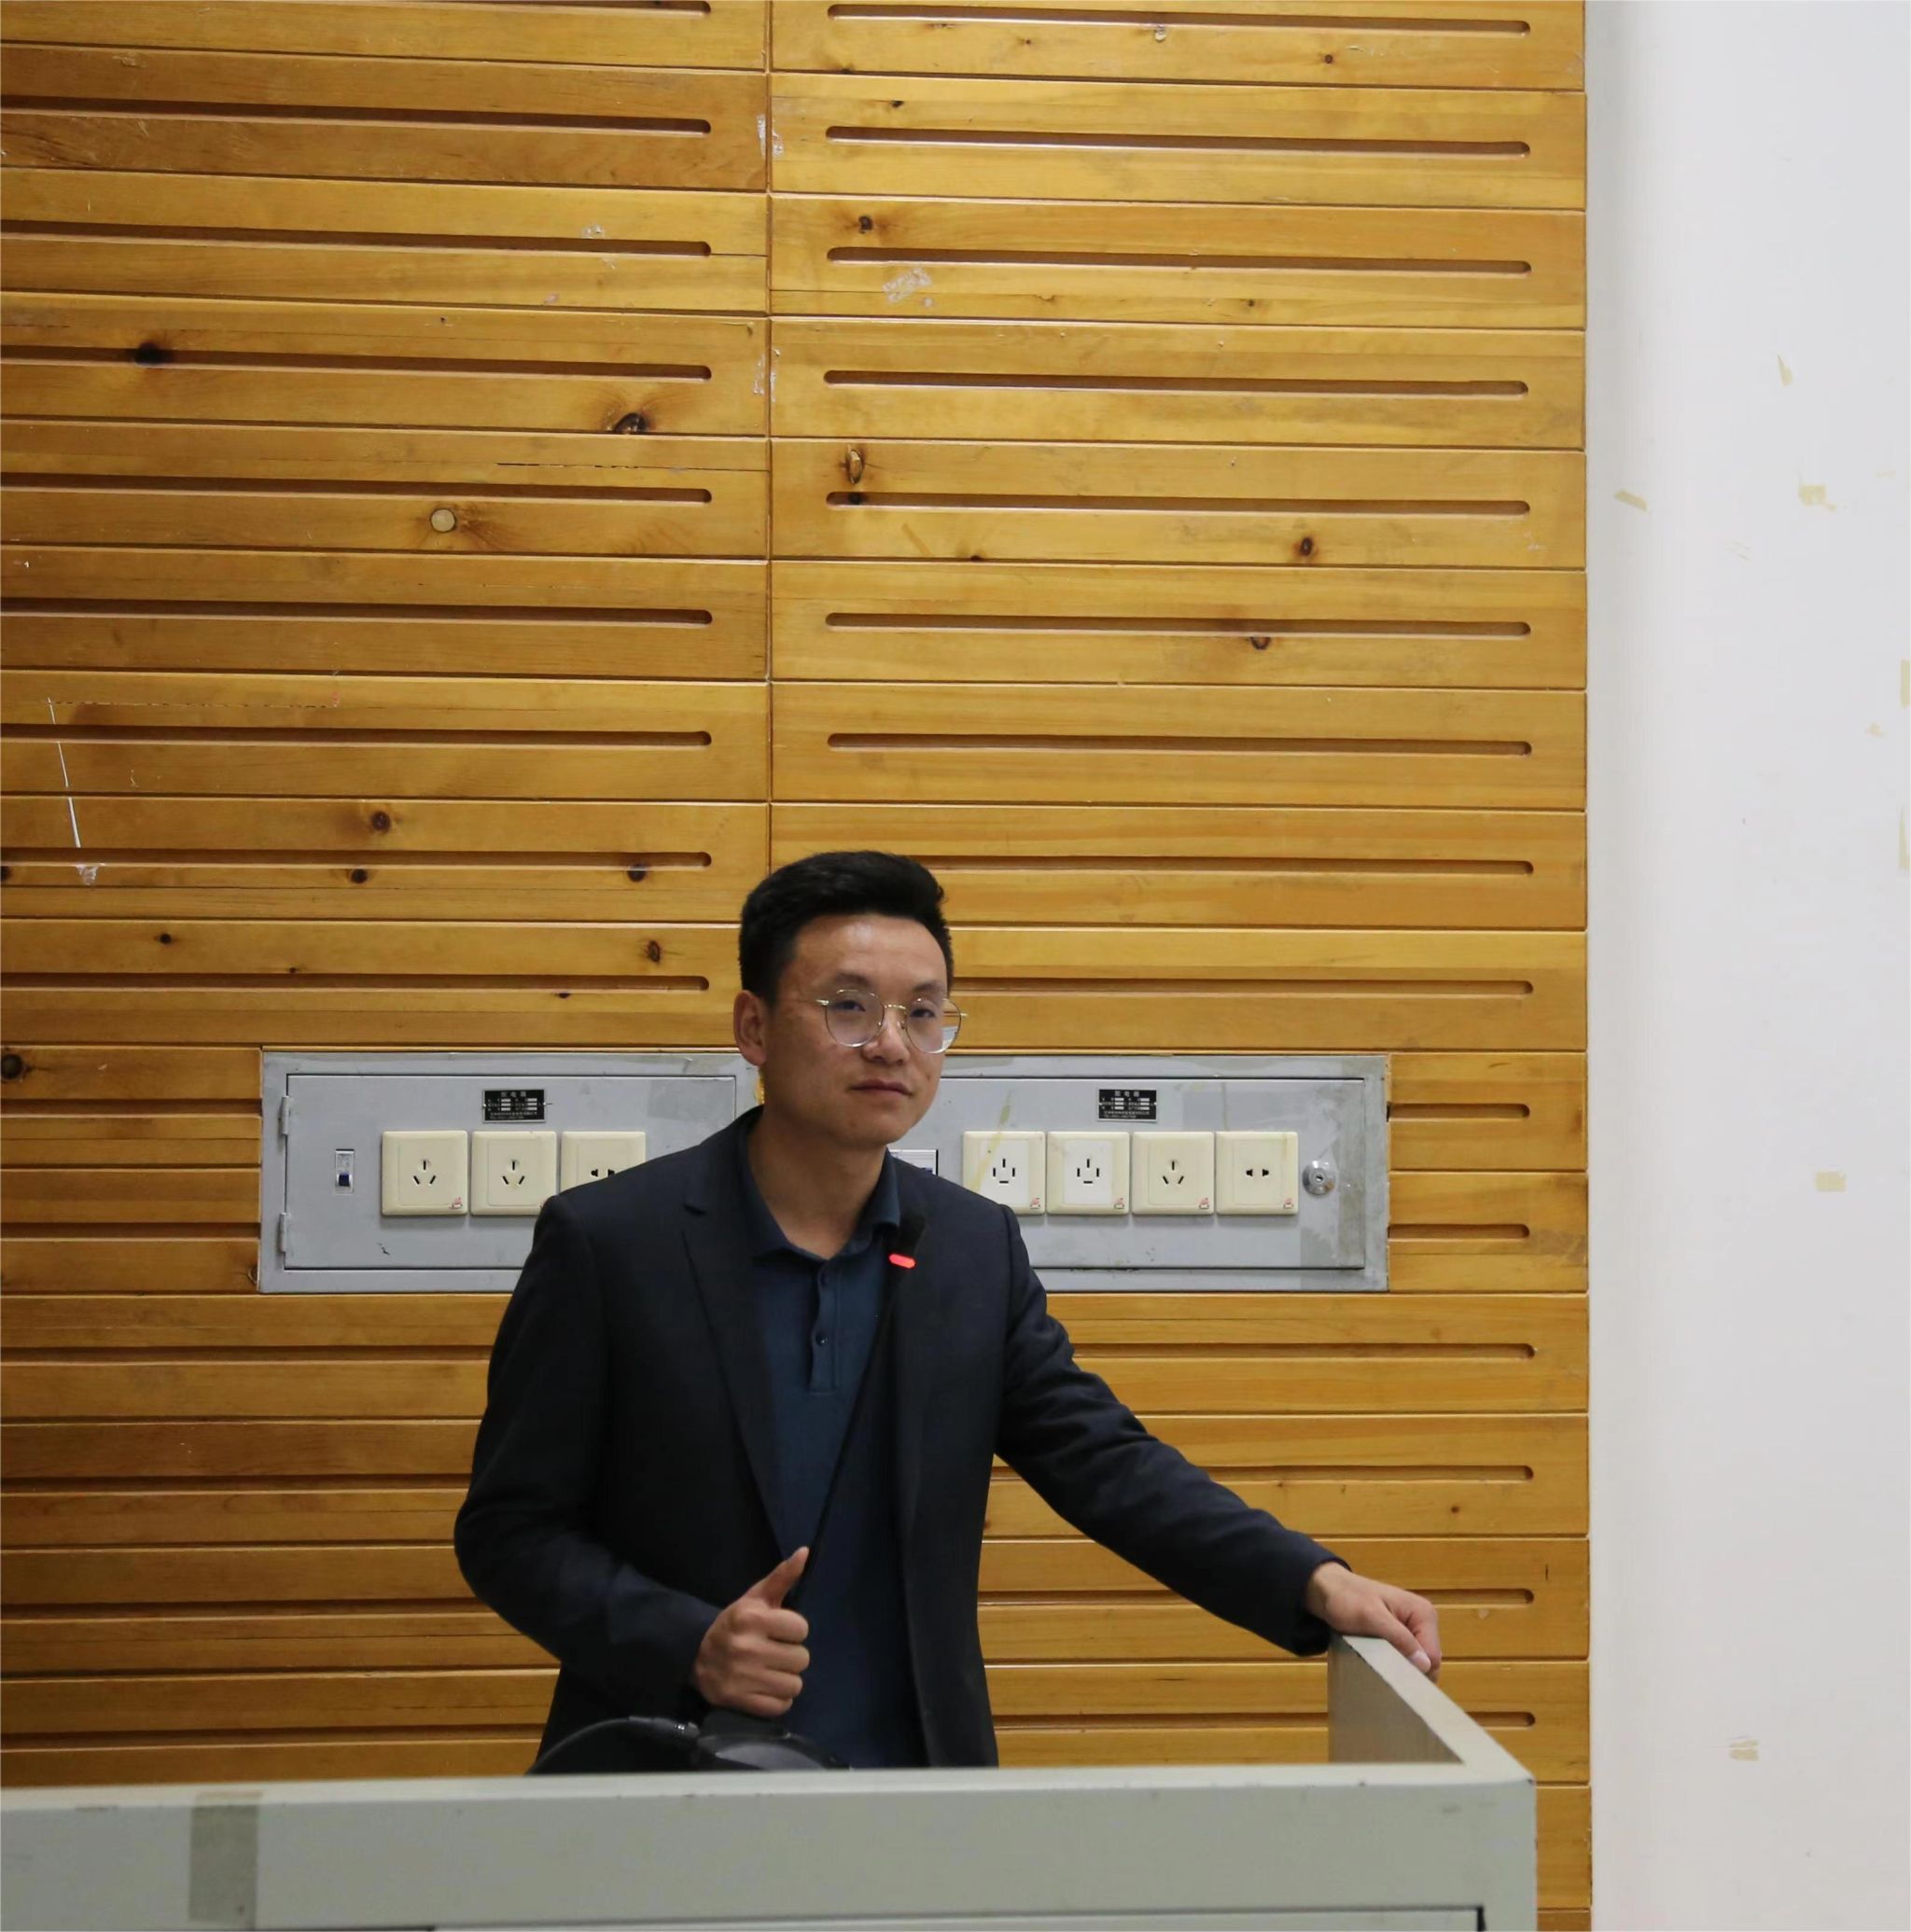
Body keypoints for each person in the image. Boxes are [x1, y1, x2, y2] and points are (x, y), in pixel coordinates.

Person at [455, 851, 1442, 1770]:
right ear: (753, 1026)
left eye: (923, 1013)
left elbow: (1105, 1461)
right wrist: (687, 1641)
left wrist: (1312, 1579)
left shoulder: (969, 1250)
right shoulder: (610, 1243)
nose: (890, 1043)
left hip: (918, 1789)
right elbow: (510, 1530)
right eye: (847, 1006)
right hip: (658, 1778)